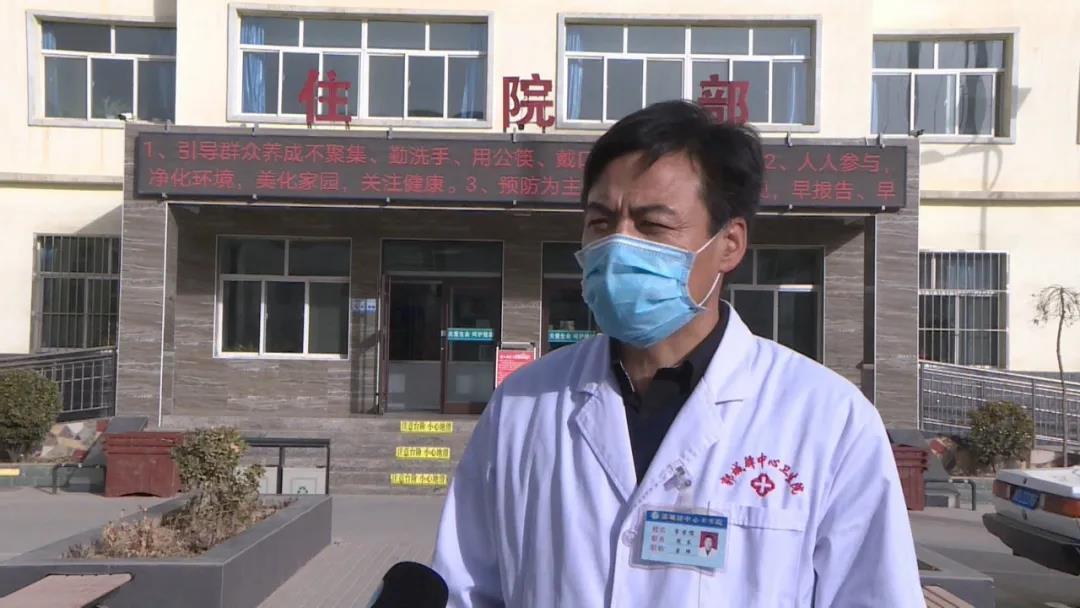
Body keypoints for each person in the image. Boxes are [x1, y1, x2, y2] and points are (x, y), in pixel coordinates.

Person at [432, 100, 922, 607]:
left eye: (652, 225)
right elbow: (465, 588)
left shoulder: (828, 419)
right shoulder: (524, 405)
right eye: (601, 222)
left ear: (729, 243)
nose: (618, 246)